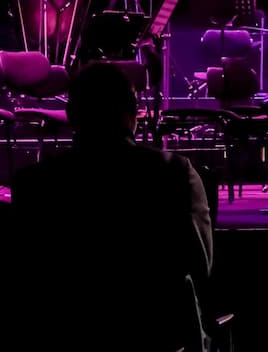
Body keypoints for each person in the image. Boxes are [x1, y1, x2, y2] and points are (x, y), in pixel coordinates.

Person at [11, 63, 215, 351]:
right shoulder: (173, 172)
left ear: (71, 115)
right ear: (133, 115)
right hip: (156, 335)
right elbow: (199, 264)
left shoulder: (33, 182)